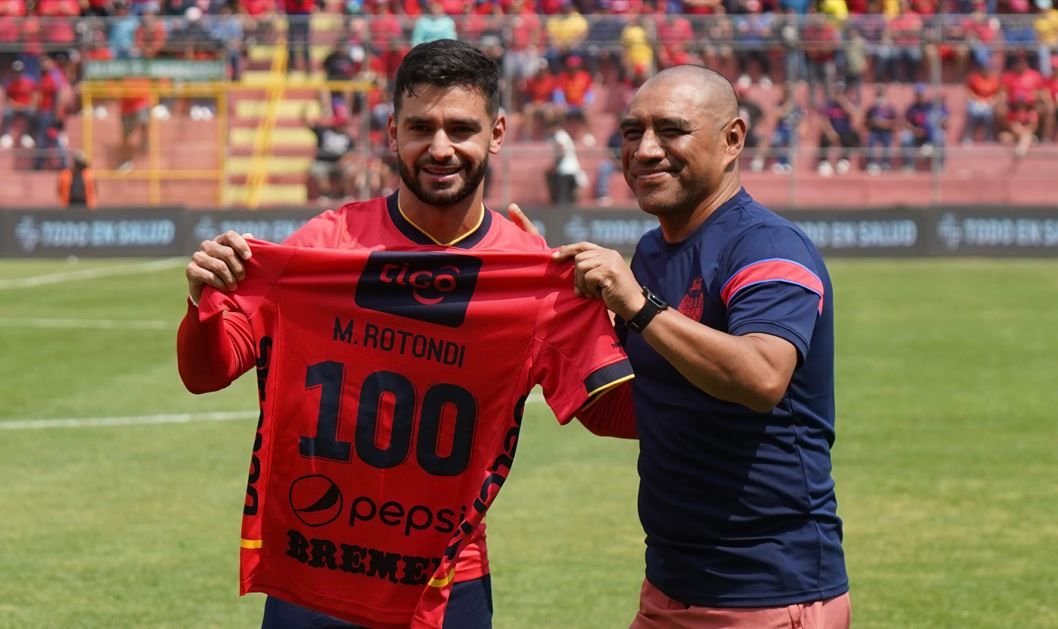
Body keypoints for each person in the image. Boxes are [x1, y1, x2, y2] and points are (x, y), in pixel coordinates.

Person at [177, 39, 634, 629]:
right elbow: (205, 373)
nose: (440, 148)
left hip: (445, 584)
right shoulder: (324, 243)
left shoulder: (533, 273)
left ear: (496, 134)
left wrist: (634, 316)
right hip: (315, 568)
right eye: (421, 127)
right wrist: (202, 305)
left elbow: (616, 415)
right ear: (392, 132)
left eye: (461, 129)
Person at [548, 65, 850, 628]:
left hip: (766, 593)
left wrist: (638, 304)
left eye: (671, 130)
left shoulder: (767, 246)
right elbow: (642, 407)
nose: (645, 150)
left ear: (733, 139)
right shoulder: (653, 252)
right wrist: (544, 307)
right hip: (668, 586)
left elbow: (761, 377)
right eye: (632, 132)